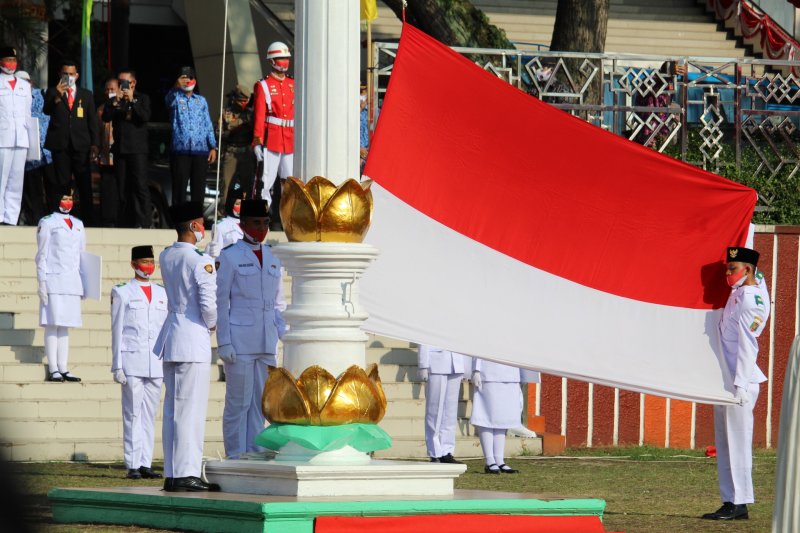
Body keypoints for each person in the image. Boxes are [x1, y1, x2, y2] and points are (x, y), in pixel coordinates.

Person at [153, 201, 219, 492]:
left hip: (172, 336)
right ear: (193, 226)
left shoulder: (167, 255)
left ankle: (173, 472)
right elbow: (208, 304)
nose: (203, 228)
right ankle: (186, 473)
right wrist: (213, 323)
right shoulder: (198, 260)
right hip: (192, 336)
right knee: (189, 410)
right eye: (200, 223)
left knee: (173, 410)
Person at [702, 246, 770, 521]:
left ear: (748, 270)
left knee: (739, 443)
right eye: (728, 269)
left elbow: (747, 345)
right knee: (725, 443)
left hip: (740, 382)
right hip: (726, 380)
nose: (728, 274)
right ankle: (729, 500)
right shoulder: (740, 292)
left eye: (733, 269)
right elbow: (761, 276)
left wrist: (740, 386)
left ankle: (741, 502)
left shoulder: (751, 301)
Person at [216, 198, 286, 458]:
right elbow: (221, 303)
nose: (261, 228)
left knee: (260, 403)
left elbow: (278, 302)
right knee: (238, 403)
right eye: (256, 222)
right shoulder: (230, 256)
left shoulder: (273, 256)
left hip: (266, 340)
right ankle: (235, 454)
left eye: (265, 223)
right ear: (243, 223)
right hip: (240, 340)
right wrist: (224, 341)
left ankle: (254, 452)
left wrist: (284, 333)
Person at [110, 245, 168, 480]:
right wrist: (117, 364)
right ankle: (133, 463)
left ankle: (145, 462)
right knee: (132, 413)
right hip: (132, 359)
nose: (149, 267)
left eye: (151, 262)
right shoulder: (122, 291)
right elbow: (117, 330)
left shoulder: (163, 292)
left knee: (149, 414)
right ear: (134, 264)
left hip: (156, 361)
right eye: (143, 262)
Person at [36, 188, 84, 382]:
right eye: (64, 198)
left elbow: (82, 256)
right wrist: (42, 282)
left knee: (65, 326)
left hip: (72, 281)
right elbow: (42, 255)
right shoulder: (47, 222)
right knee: (52, 324)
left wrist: (84, 284)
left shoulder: (79, 224)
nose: (67, 201)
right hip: (53, 279)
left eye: (70, 198)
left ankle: (63, 366)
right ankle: (53, 367)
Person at [43, 59, 99, 225]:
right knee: (62, 183)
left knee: (84, 183)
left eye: (71, 74)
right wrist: (57, 95)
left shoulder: (86, 95)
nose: (68, 77)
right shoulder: (53, 92)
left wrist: (94, 143)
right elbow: (46, 110)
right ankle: (61, 220)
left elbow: (92, 121)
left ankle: (87, 220)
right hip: (60, 145)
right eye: (65, 74)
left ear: (77, 75)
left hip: (80, 145)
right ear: (60, 75)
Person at [470, 358, 539, 474]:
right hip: (489, 370)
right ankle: (489, 460)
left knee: (502, 418)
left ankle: (499, 459)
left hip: (511, 372)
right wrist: (476, 369)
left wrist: (523, 373)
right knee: (486, 415)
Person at [102, 69, 150, 228]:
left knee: (140, 187)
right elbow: (105, 116)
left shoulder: (142, 98)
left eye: (125, 82)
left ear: (133, 83)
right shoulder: (115, 98)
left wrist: (132, 101)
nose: (122, 85)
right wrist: (116, 100)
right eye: (120, 81)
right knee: (121, 188)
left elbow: (144, 117)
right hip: (120, 150)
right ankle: (124, 223)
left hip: (137, 150)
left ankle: (145, 223)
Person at [166, 66, 217, 205]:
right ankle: (179, 223)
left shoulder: (201, 100)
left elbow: (208, 124)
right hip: (180, 151)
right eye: (183, 77)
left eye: (190, 77)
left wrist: (213, 146)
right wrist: (176, 86)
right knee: (179, 189)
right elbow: (168, 101)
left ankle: (196, 223)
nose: (187, 80)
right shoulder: (175, 98)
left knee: (198, 190)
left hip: (200, 151)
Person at [252, 41, 294, 208]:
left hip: (291, 139)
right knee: (265, 182)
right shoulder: (263, 85)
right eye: (280, 58)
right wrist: (257, 141)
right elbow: (259, 116)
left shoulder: (293, 83)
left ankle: (289, 219)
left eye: (286, 57)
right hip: (271, 140)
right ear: (271, 61)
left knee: (290, 182)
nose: (284, 61)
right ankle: (261, 219)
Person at [418, 345, 468, 464]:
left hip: (456, 362)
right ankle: (434, 451)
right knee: (434, 410)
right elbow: (423, 339)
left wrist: (468, 368)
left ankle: (447, 451)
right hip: (436, 362)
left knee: (450, 412)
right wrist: (423, 365)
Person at [0, 45, 31, 225]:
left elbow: (27, 114)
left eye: (13, 60)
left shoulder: (24, 86)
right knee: (1, 178)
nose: (11, 63)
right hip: (2, 138)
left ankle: (11, 218)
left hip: (21, 138)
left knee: (16, 180)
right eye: (8, 60)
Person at [19, 71, 50, 226]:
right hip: (25, 153)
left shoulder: (42, 95)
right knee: (28, 191)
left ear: (31, 83)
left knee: (47, 190)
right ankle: (28, 221)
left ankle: (47, 221)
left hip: (47, 153)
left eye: (27, 81)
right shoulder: (14, 99)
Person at [220, 85, 255, 207]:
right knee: (226, 186)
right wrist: (234, 126)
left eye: (246, 101)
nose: (244, 103)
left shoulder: (251, 114)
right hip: (231, 153)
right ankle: (223, 213)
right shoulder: (226, 113)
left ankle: (248, 216)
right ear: (235, 99)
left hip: (247, 154)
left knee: (248, 187)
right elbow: (219, 134)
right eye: (241, 101)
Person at [97, 78, 123, 227]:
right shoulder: (101, 109)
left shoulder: (124, 106)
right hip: (105, 158)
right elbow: (96, 132)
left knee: (119, 189)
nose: (109, 92)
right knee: (107, 190)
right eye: (107, 89)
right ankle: (106, 220)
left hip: (120, 156)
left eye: (112, 89)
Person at [205, 188, 244, 259]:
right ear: (231, 204)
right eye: (238, 204)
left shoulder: (250, 224)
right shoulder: (220, 226)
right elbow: (215, 255)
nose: (242, 207)